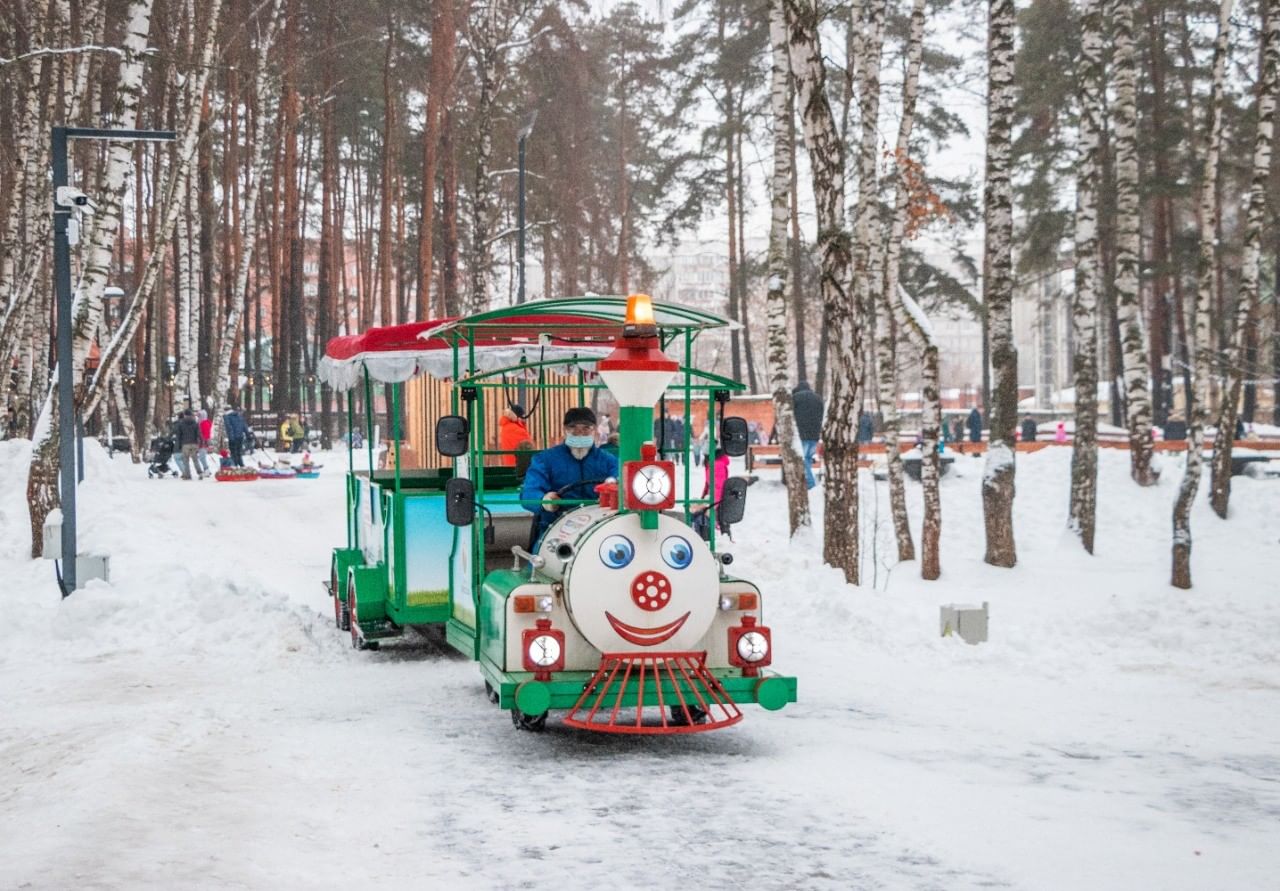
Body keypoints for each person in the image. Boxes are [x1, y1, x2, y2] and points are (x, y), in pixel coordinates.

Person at [521, 407, 619, 542]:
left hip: (598, 527)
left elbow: (620, 482)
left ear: (595, 431)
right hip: (555, 527)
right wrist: (545, 501)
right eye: (573, 428)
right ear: (565, 430)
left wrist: (613, 486)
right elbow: (528, 493)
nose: (579, 433)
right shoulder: (544, 460)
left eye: (586, 428)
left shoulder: (608, 461)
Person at [692, 448, 731, 540]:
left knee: (699, 516)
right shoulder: (712, 463)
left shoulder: (716, 464)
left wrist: (710, 505)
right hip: (714, 499)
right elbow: (709, 485)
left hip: (716, 501)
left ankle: (706, 538)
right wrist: (702, 501)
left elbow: (718, 487)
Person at [792, 380, 824, 490]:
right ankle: (806, 481)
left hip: (801, 434)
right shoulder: (818, 398)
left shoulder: (795, 398)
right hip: (815, 435)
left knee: (803, 459)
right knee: (808, 459)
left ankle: (810, 483)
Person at [175, 409, 203, 480]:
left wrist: (179, 445)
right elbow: (199, 434)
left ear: (185, 415)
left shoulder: (181, 423)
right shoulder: (195, 423)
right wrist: (201, 442)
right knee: (195, 459)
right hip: (194, 443)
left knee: (185, 460)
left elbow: (179, 435)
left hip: (185, 444)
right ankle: (200, 473)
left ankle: (188, 475)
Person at [195, 409, 213, 477]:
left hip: (203, 442)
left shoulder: (204, 423)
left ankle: (207, 470)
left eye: (199, 416)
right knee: (202, 457)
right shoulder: (201, 422)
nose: (198, 417)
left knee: (202, 457)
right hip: (202, 442)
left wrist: (206, 442)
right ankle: (206, 470)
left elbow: (206, 434)